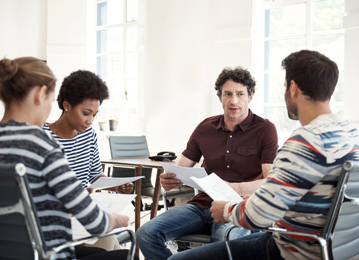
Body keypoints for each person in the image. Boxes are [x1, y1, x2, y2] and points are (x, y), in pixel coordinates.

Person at [168, 50, 359, 260]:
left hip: (291, 249)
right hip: (335, 249)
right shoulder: (351, 135)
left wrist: (226, 210)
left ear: (292, 88)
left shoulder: (304, 143)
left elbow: (259, 215)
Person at [0, 57, 137, 260]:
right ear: (41, 94)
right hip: (47, 253)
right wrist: (118, 219)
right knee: (126, 253)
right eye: (50, 101)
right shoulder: (41, 144)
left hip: (2, 252)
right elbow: (96, 222)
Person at [136, 66, 279, 260]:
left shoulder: (265, 129)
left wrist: (235, 188)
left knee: (222, 244)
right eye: (227, 94)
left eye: (240, 94)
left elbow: (269, 181)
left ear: (250, 97)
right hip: (202, 205)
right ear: (220, 97)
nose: (234, 100)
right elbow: (181, 168)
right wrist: (169, 179)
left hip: (236, 208)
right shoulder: (205, 128)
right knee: (146, 233)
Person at [43, 70, 133, 194]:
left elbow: (95, 174)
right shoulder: (42, 136)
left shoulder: (88, 134)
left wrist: (115, 186)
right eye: (86, 113)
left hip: (83, 206)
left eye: (94, 115)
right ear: (67, 105)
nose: (90, 121)